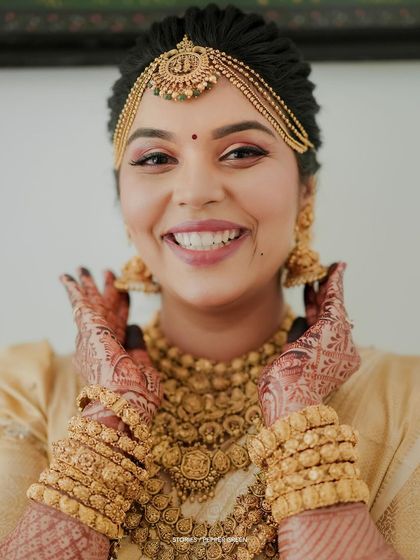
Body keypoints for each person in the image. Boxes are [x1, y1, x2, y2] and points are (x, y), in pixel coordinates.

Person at [0, 4, 418, 559]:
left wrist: (298, 419)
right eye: (155, 157)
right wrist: (111, 422)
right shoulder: (25, 393)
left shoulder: (406, 401)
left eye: (242, 151)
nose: (196, 191)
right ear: (122, 200)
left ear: (306, 192)